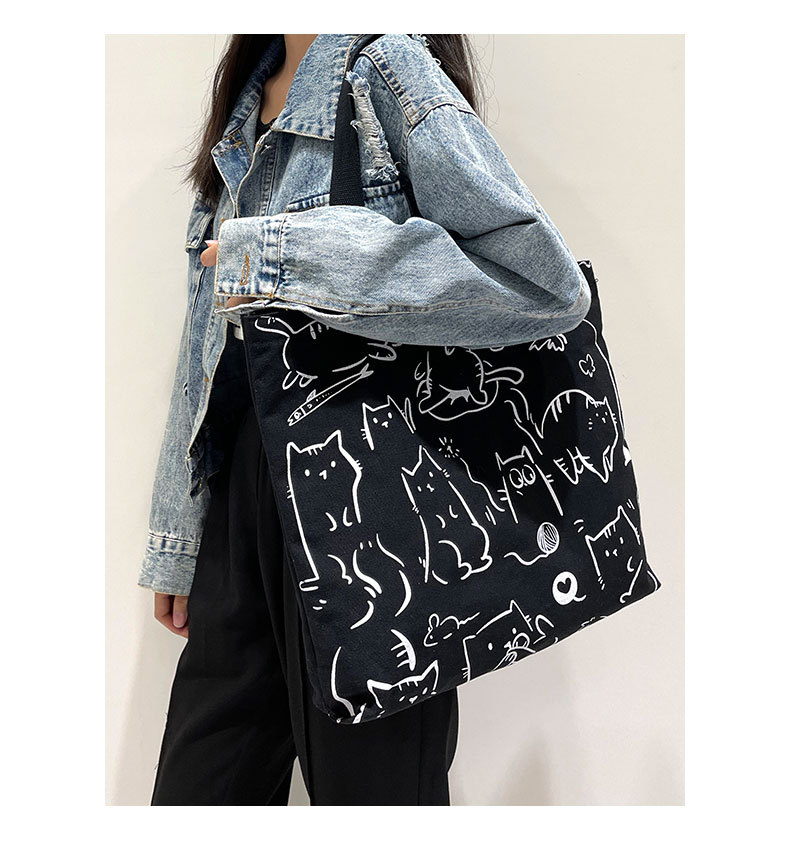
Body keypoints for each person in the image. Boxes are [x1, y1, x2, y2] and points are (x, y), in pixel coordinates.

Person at [143, 33, 591, 806]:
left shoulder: (387, 69)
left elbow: (543, 283)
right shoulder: (244, 102)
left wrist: (281, 258)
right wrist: (179, 538)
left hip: (369, 506)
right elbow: (207, 349)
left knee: (376, 797)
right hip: (243, 501)